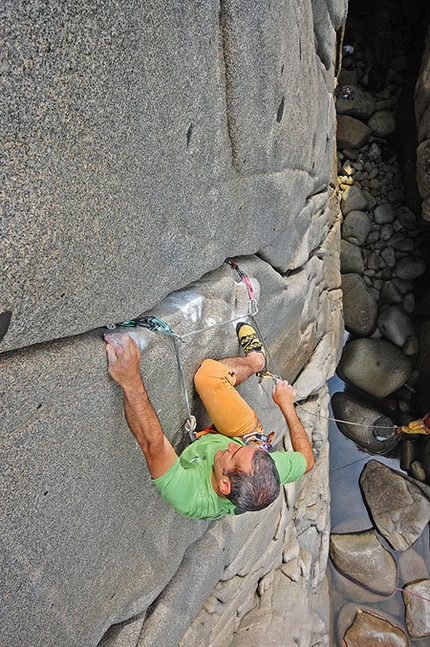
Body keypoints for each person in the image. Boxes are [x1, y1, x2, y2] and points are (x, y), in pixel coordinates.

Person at [105, 323, 314, 521]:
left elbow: (152, 444)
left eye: (233, 454)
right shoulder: (262, 470)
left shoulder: (190, 497)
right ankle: (256, 361)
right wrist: (286, 405)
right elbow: (307, 461)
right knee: (208, 377)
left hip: (220, 462)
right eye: (241, 450)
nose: (232, 446)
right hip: (246, 435)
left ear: (224, 485)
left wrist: (130, 380)